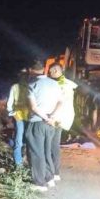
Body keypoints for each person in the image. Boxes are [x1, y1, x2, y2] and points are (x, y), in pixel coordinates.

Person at [25, 60, 63, 191]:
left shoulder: (32, 85)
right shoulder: (55, 84)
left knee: (36, 152)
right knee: (47, 151)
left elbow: (34, 107)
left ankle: (39, 183)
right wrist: (52, 117)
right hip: (51, 124)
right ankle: (49, 178)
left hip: (37, 122)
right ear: (44, 70)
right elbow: (60, 102)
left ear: (31, 71)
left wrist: (45, 117)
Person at [47, 63, 78, 182]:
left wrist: (53, 117)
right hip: (57, 118)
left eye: (53, 71)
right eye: (50, 71)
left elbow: (61, 103)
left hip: (56, 119)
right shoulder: (63, 83)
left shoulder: (63, 85)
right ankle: (55, 172)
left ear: (58, 70)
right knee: (53, 145)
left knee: (51, 145)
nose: (51, 73)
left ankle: (53, 172)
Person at [6, 70, 30, 166]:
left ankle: (25, 160)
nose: (24, 77)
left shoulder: (30, 86)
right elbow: (9, 104)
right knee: (19, 141)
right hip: (19, 117)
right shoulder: (15, 87)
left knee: (26, 140)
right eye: (23, 75)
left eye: (25, 75)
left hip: (29, 117)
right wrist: (13, 113)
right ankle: (18, 164)